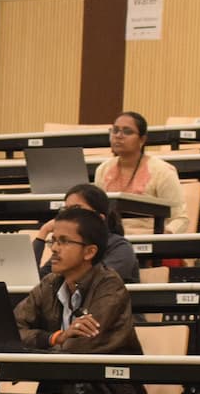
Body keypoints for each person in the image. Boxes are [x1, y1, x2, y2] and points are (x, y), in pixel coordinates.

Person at [13, 206, 141, 356]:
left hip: (103, 377)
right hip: (56, 375)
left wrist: (36, 348)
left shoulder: (110, 286)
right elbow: (11, 331)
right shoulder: (49, 283)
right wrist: (55, 337)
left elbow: (81, 346)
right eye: (53, 241)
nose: (54, 248)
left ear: (89, 252)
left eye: (64, 241)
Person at [92, 111, 189, 234]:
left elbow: (180, 219)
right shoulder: (103, 169)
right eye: (115, 130)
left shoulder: (162, 171)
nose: (118, 135)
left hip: (148, 239)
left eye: (127, 131)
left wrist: (163, 237)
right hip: (111, 241)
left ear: (142, 140)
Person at [32, 183, 141, 283]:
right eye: (66, 209)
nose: (70, 215)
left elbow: (99, 281)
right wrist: (43, 232)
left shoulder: (120, 247)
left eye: (76, 209)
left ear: (100, 217)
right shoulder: (68, 246)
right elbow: (38, 280)